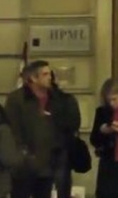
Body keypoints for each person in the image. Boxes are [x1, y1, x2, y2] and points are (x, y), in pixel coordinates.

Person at [5, 61, 81, 198]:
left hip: (51, 160)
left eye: (49, 73)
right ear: (33, 78)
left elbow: (70, 123)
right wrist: (23, 153)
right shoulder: (16, 99)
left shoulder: (57, 98)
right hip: (25, 163)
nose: (50, 77)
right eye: (45, 74)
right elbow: (13, 127)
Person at [49, 71, 81, 198]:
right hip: (40, 148)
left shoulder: (65, 100)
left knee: (62, 184)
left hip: (60, 146)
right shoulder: (30, 101)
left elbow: (74, 122)